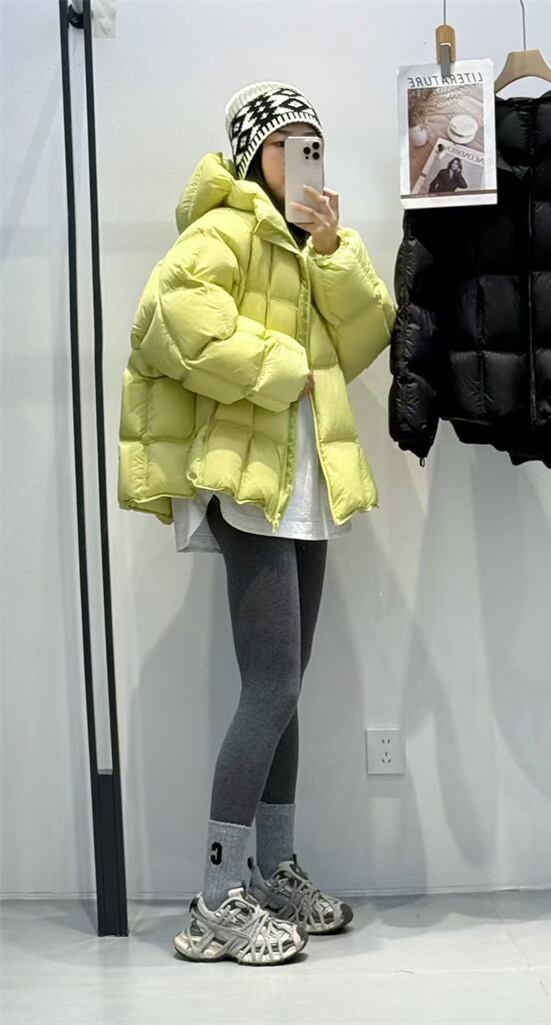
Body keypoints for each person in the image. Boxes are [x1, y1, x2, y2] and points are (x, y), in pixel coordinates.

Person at [117, 81, 396, 965]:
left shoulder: (308, 245)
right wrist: (282, 366)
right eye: (287, 143)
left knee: (286, 685)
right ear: (252, 155)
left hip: (304, 486)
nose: (302, 158)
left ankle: (272, 870)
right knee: (270, 684)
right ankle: (213, 899)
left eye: (314, 144)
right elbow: (168, 321)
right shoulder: (223, 231)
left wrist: (335, 251)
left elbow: (365, 339)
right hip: (248, 484)